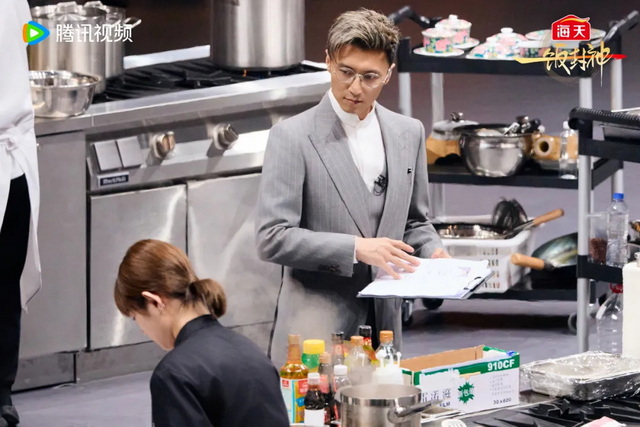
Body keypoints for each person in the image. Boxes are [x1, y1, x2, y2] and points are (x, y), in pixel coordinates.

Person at [255, 8, 448, 366]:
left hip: (385, 328)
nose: (356, 88)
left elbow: (415, 221)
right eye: (346, 72)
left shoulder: (409, 133)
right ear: (328, 62)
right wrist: (357, 248)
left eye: (370, 77)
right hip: (318, 330)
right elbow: (272, 237)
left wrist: (433, 251)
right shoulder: (292, 137)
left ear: (389, 74)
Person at [113, 239, 289, 427]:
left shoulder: (174, 373)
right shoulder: (251, 351)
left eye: (135, 318)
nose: (143, 331)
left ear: (154, 302)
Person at [0, 1, 43, 426]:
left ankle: (1, 393)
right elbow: (33, 35)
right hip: (13, 154)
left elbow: (29, 34)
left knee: (6, 281)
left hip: (11, 158)